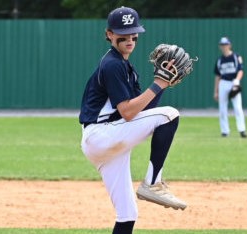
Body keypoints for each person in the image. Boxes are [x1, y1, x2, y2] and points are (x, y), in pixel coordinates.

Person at [79, 6, 186, 234]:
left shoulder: (127, 67)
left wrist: (162, 85)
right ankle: (153, 182)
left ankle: (152, 184)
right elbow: (128, 112)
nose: (129, 39)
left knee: (128, 214)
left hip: (107, 141)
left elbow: (143, 110)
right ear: (109, 34)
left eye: (133, 33)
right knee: (171, 115)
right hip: (103, 133)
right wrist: (158, 84)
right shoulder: (112, 64)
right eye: (122, 34)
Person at [213, 37, 247, 138]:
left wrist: (237, 81)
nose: (224, 47)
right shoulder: (219, 60)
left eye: (225, 44)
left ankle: (242, 130)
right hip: (223, 83)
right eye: (222, 45)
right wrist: (215, 91)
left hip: (233, 82)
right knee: (222, 108)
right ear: (220, 46)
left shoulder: (236, 57)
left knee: (238, 108)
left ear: (229, 45)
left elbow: (241, 71)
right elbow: (217, 76)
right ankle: (225, 131)